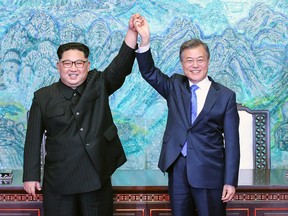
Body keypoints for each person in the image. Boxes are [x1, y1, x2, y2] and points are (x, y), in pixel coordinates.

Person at [23, 14, 142, 216]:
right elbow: (32, 140)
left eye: (79, 63)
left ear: (87, 65)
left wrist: (132, 32)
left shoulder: (99, 84)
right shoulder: (43, 97)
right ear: (58, 65)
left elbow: (120, 66)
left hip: (96, 178)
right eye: (67, 63)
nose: (73, 69)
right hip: (58, 181)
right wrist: (30, 176)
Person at [133, 17, 240, 216]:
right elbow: (148, 72)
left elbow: (233, 143)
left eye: (200, 60)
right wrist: (145, 39)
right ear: (182, 64)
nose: (195, 65)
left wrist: (230, 181)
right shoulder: (174, 86)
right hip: (178, 169)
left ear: (208, 61)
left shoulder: (225, 96)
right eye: (189, 60)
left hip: (210, 172)